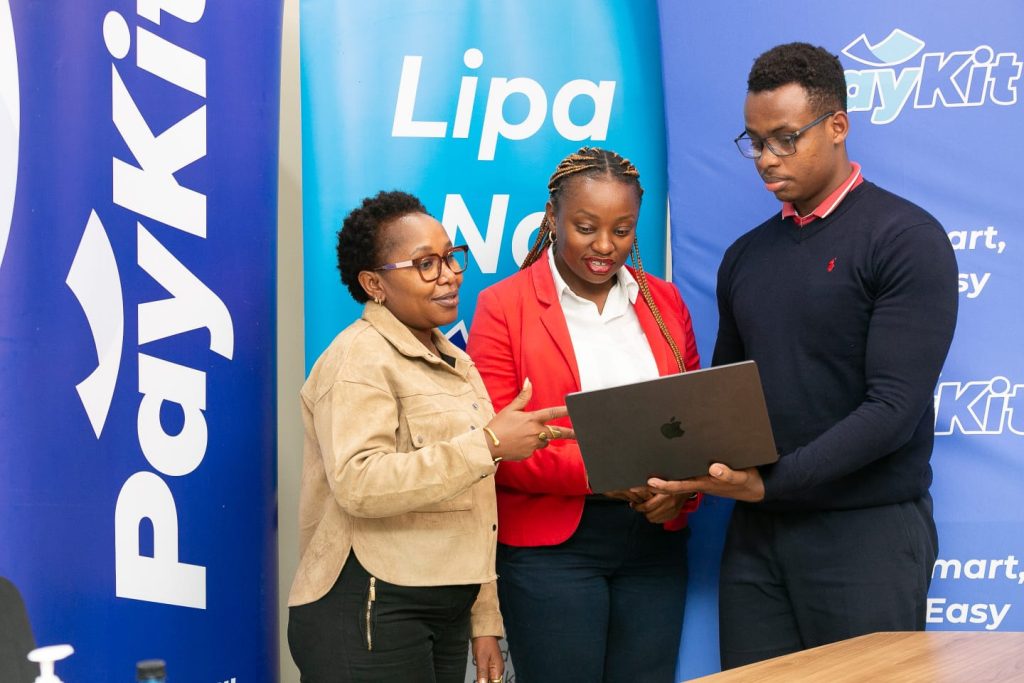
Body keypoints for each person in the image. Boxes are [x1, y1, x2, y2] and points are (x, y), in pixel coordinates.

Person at [648, 43, 959, 668]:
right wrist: (680, 480)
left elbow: (893, 410)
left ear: (837, 125)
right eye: (756, 141)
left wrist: (771, 483)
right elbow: (726, 400)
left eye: (785, 139)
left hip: (866, 533)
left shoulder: (906, 239)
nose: (767, 159)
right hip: (758, 535)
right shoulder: (745, 256)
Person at [287, 190, 576, 683]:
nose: (449, 275)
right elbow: (359, 483)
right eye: (425, 264)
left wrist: (484, 620)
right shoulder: (359, 357)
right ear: (374, 283)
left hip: (444, 608)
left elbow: (476, 505)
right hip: (372, 604)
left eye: (450, 256)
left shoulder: (456, 361)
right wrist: (488, 444)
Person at [467, 147, 702, 682]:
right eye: (586, 227)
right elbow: (497, 446)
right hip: (552, 552)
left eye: (622, 230)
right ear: (552, 218)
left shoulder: (665, 302)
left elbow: (693, 422)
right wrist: (608, 476)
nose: (604, 246)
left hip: (654, 540)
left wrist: (683, 492)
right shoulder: (504, 307)